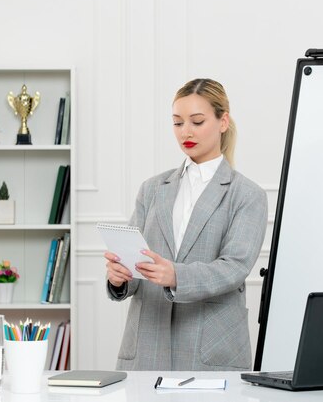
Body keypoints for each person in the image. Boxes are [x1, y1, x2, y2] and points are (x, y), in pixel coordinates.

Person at [105, 78, 268, 371]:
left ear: (223, 121)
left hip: (209, 347)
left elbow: (234, 267)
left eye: (197, 121)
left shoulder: (247, 194)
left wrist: (176, 275)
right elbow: (134, 261)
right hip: (146, 346)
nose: (186, 132)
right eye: (178, 123)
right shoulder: (152, 188)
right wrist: (120, 278)